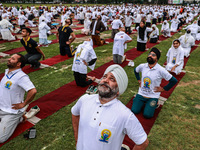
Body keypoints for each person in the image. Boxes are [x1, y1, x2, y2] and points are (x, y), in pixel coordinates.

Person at [71, 64, 149, 150]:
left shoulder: (125, 115)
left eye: (112, 79)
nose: (106, 80)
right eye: (104, 77)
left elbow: (143, 142)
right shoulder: (84, 99)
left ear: (118, 90)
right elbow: (75, 113)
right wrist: (77, 138)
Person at [0, 54, 37, 143]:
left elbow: (33, 91)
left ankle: (18, 118)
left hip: (11, 112)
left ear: (18, 64)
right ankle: (19, 117)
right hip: (1, 107)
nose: (9, 59)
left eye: (12, 59)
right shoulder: (8, 72)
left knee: (1, 139)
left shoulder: (21, 77)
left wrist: (23, 104)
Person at [131, 47, 178, 118]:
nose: (150, 56)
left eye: (153, 55)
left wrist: (164, 89)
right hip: (141, 94)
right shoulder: (143, 66)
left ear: (157, 58)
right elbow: (135, 70)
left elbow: (174, 80)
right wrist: (139, 80)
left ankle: (155, 102)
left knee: (147, 115)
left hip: (152, 96)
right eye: (149, 54)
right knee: (134, 110)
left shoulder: (161, 70)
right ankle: (140, 101)